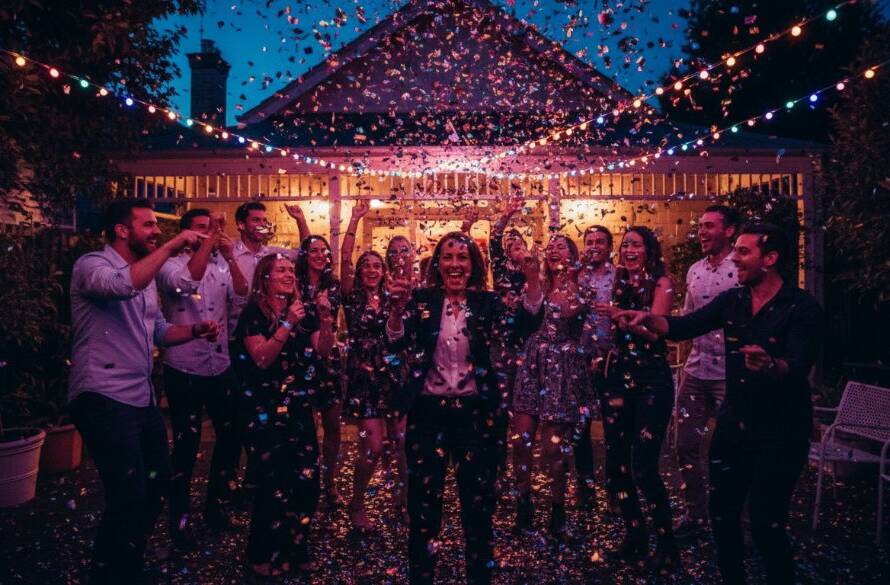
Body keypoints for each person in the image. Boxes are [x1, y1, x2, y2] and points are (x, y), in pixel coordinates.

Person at [614, 223, 822, 585]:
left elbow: (800, 363)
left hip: (781, 431)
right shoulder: (733, 301)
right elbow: (683, 326)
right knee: (723, 517)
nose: (734, 260)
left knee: (765, 523)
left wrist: (772, 365)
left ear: (770, 259)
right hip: (733, 425)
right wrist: (648, 318)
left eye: (744, 252)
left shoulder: (801, 307)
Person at [68, 200, 219, 584]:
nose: (156, 232)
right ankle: (107, 574)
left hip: (141, 399)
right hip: (102, 397)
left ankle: (128, 563)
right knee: (128, 492)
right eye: (149, 225)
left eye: (157, 226)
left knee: (156, 485)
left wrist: (195, 331)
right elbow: (120, 286)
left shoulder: (147, 277)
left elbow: (159, 332)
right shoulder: (91, 266)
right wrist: (171, 246)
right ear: (122, 230)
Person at [386, 232, 543, 585]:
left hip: (477, 416)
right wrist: (396, 310)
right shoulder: (421, 300)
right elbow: (395, 341)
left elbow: (527, 323)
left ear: (474, 265)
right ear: (437, 265)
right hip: (428, 414)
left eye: (462, 258)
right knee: (424, 509)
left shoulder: (487, 303)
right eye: (448, 257)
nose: (455, 264)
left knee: (478, 509)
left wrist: (532, 277)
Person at [233, 253, 335, 579]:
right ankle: (260, 552)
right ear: (265, 277)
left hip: (299, 407)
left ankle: (297, 546)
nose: (290, 274)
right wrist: (288, 322)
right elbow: (261, 358)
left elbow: (322, 349)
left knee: (307, 482)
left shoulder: (303, 313)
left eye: (292, 269)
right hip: (263, 410)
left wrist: (326, 319)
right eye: (281, 270)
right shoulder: (253, 313)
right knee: (271, 482)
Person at [157, 209, 249, 548]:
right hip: (184, 366)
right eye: (200, 229)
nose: (207, 234)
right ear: (185, 234)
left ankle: (216, 507)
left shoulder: (221, 265)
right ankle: (179, 521)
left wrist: (229, 256)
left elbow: (241, 296)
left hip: (220, 364)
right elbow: (187, 283)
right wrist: (213, 236)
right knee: (186, 446)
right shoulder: (169, 265)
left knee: (232, 434)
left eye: (209, 229)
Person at [597, 226, 679, 571]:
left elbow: (655, 330)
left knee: (643, 466)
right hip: (618, 376)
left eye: (637, 245)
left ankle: (666, 544)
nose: (629, 250)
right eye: (625, 245)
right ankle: (635, 535)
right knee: (615, 464)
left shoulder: (662, 283)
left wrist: (622, 319)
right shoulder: (618, 280)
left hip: (651, 379)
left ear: (650, 251)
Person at [512, 234, 592, 540]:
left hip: (562, 367)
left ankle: (557, 511)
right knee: (521, 441)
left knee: (553, 448)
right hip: (532, 362)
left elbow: (567, 310)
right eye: (552, 245)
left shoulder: (580, 285)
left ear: (573, 254)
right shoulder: (538, 283)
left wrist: (569, 276)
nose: (555, 249)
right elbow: (529, 315)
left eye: (563, 246)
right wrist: (533, 277)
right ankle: (524, 505)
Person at [339, 202, 410, 531]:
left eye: (376, 266)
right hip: (364, 377)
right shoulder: (352, 297)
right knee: (373, 446)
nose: (371, 270)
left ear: (383, 271)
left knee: (402, 442)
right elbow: (343, 259)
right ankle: (357, 503)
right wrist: (355, 218)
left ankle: (403, 502)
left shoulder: (392, 295)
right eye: (365, 265)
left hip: (394, 372)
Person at [673, 205, 740, 539]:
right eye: (700, 226)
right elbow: (687, 318)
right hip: (697, 371)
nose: (701, 232)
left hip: (730, 374)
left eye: (709, 226)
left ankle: (730, 515)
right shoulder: (695, 271)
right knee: (684, 445)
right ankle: (695, 513)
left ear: (729, 231)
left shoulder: (741, 268)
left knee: (730, 449)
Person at [295, 233, 345, 506]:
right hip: (301, 356)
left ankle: (330, 480)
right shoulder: (295, 282)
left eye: (323, 251)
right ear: (304, 255)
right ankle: (307, 476)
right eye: (313, 250)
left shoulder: (332, 285)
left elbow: (326, 318)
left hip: (328, 356)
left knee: (332, 423)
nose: (319, 255)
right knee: (306, 423)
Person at [575, 225, 616, 509]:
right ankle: (585, 486)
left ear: (609, 246)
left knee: (614, 426)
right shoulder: (577, 276)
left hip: (612, 357)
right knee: (581, 426)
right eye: (589, 241)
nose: (594, 246)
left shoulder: (619, 275)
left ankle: (616, 489)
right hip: (581, 357)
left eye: (600, 241)